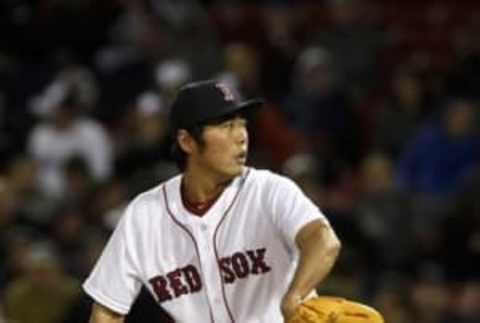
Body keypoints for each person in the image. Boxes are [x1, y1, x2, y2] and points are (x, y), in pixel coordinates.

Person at [83, 80, 341, 323]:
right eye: (226, 126)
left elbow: (323, 240)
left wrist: (295, 296)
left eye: (242, 124)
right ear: (187, 141)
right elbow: (106, 310)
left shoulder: (269, 191)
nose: (241, 136)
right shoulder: (144, 215)